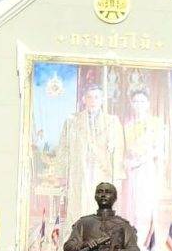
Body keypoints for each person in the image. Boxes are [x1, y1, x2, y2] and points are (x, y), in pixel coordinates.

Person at [54, 78, 126, 224]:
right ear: (84, 99)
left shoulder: (112, 122)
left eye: (96, 97)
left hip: (102, 172)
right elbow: (63, 149)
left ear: (102, 100)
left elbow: (118, 152)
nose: (93, 100)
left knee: (100, 208)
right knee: (79, 210)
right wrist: (61, 174)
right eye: (89, 97)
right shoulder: (72, 121)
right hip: (79, 173)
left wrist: (117, 177)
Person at [59, 182, 144, 251]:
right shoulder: (84, 222)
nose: (103, 195)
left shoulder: (123, 225)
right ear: (95, 196)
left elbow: (134, 249)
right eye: (100, 192)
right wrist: (85, 244)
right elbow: (68, 246)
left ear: (115, 197)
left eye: (108, 192)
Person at [122, 87, 166, 244]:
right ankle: (132, 242)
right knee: (132, 206)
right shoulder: (127, 126)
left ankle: (145, 242)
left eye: (142, 101)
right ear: (131, 104)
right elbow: (124, 150)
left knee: (145, 205)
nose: (138, 104)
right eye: (135, 101)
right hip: (132, 170)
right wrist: (127, 162)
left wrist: (141, 160)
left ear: (147, 103)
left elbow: (159, 149)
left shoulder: (156, 123)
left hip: (147, 168)